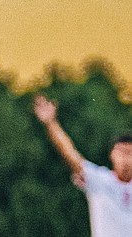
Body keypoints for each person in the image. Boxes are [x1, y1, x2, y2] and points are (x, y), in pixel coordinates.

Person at [33, 94, 132, 236]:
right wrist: (51, 123)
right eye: (121, 152)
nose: (125, 158)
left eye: (130, 153)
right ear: (112, 155)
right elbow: (71, 155)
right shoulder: (99, 180)